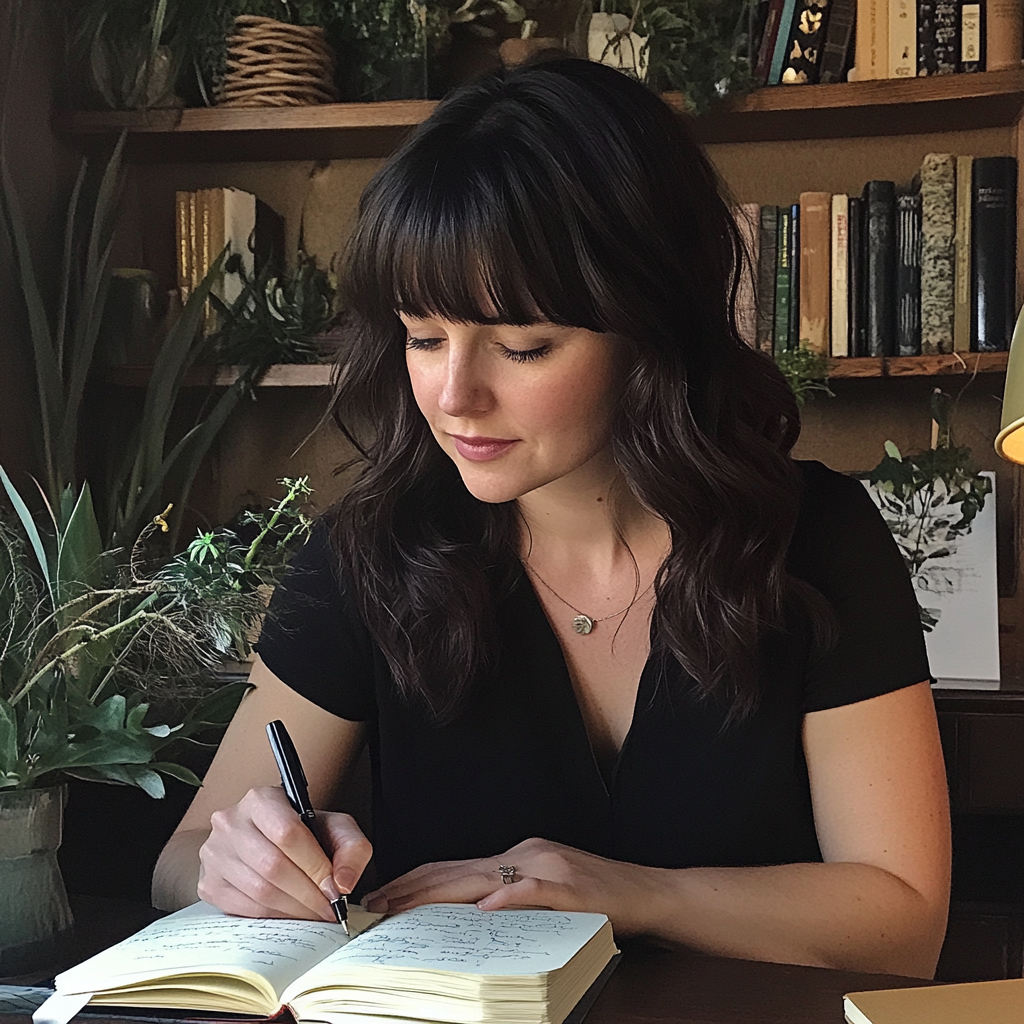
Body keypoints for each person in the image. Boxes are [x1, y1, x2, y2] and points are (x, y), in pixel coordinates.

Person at [152, 55, 950, 980]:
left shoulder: (814, 539)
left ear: (650, 328)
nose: (454, 396)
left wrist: (632, 891)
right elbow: (180, 863)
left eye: (523, 346)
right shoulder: (366, 556)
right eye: (423, 338)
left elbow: (904, 921)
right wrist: (240, 864)